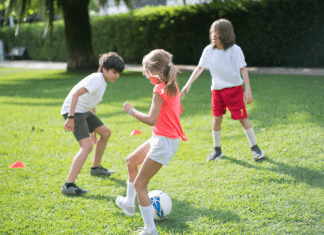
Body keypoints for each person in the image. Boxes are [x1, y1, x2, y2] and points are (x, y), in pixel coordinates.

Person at [116, 49, 187, 235]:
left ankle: (150, 229)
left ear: (155, 73)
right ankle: (129, 204)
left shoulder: (159, 90)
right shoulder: (173, 86)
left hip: (163, 142)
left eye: (147, 74)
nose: (147, 78)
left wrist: (131, 110)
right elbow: (178, 110)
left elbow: (151, 120)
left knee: (140, 185)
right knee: (131, 161)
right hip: (162, 138)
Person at [181, 19, 264, 162]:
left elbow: (243, 70)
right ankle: (217, 151)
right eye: (212, 32)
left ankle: (256, 149)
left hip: (234, 90)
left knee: (243, 119)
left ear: (225, 34)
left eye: (217, 32)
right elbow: (200, 67)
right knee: (216, 119)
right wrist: (188, 84)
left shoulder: (235, 50)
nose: (213, 35)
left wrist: (248, 90)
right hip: (217, 91)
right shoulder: (208, 50)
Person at [60, 52, 125, 195]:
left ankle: (96, 168)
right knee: (86, 146)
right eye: (114, 72)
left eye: (118, 73)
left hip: (84, 111)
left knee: (106, 133)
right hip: (75, 111)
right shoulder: (97, 79)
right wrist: (70, 117)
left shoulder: (102, 82)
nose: (116, 76)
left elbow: (91, 103)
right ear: (104, 68)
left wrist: (94, 130)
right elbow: (76, 94)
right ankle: (68, 185)